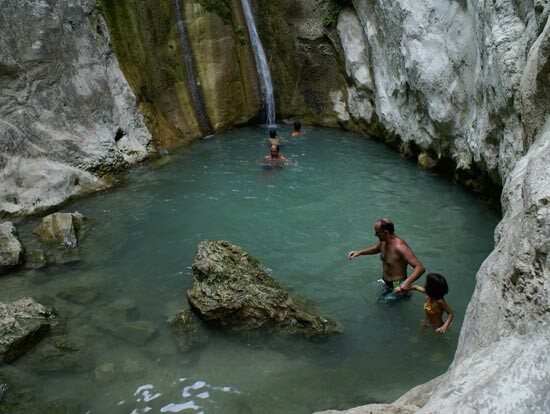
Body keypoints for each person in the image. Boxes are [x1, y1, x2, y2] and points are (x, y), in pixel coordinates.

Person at [348, 218, 425, 293]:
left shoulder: (400, 247)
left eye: (377, 232)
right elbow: (377, 248)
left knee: (383, 304)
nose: (375, 235)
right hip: (385, 281)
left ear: (386, 232)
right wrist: (359, 252)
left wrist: (407, 283)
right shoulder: (384, 242)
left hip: (397, 284)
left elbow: (420, 267)